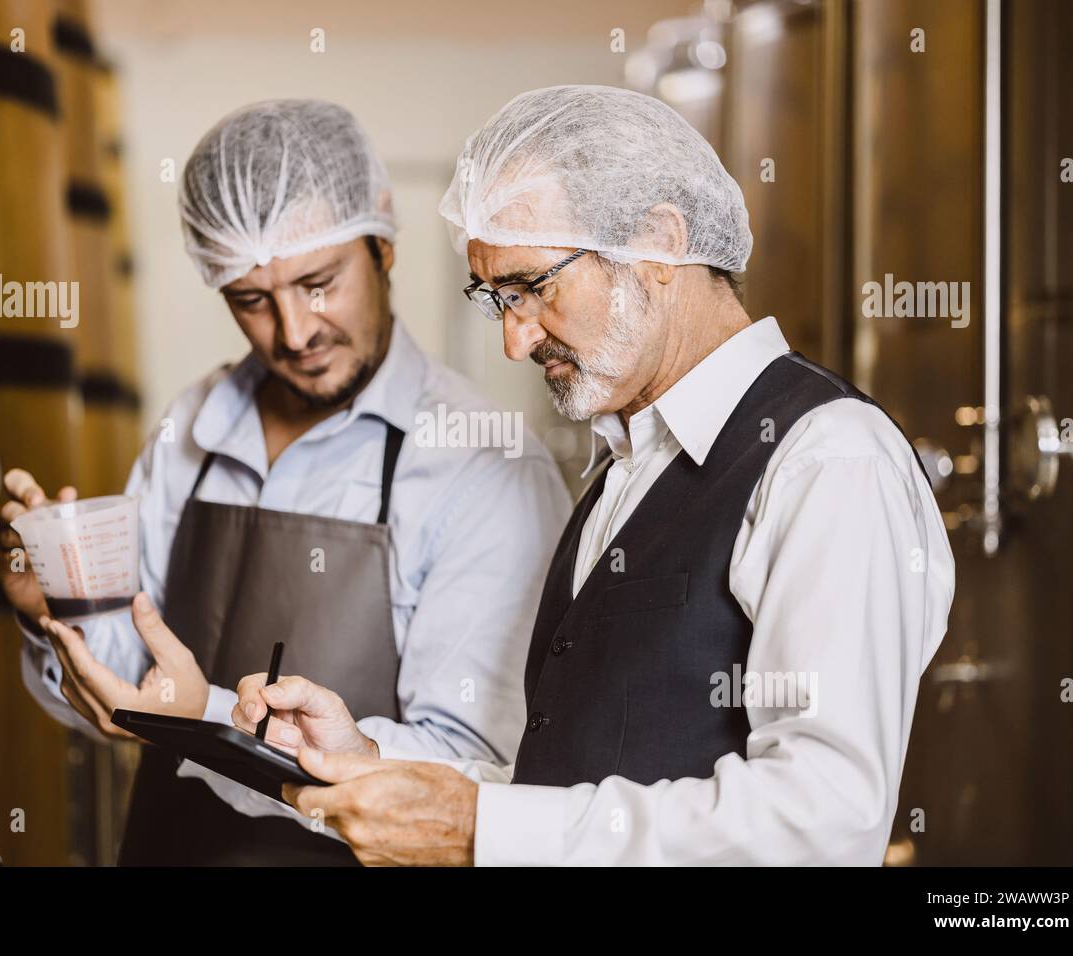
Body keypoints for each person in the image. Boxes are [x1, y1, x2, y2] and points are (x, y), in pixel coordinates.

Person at [225, 85, 956, 865]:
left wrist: (480, 831)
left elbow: (822, 820)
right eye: (495, 299)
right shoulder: (629, 468)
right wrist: (371, 767)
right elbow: (576, 778)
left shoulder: (827, 458)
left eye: (534, 288)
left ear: (659, 242)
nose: (516, 340)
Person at [0, 99, 571, 865]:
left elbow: (466, 776)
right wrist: (53, 611)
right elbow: (135, 691)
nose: (295, 333)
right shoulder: (192, 429)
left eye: (320, 282)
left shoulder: (484, 466)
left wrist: (210, 716)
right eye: (252, 300)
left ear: (383, 243)